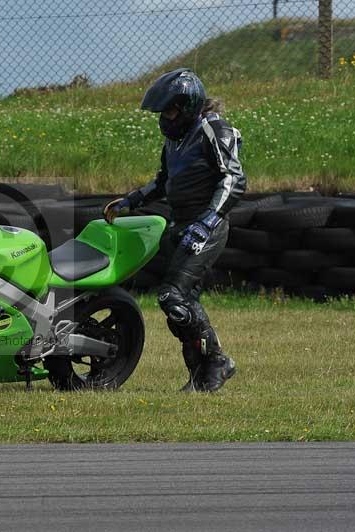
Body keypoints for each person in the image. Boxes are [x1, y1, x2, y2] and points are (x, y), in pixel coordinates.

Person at [103, 68, 246, 392]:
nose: (164, 119)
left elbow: (234, 179)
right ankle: (204, 373)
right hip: (183, 224)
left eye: (169, 110)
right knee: (182, 304)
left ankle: (215, 365)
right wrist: (131, 200)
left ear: (188, 106)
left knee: (173, 296)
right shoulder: (175, 141)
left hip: (208, 224)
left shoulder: (214, 129)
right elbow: (163, 181)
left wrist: (209, 220)